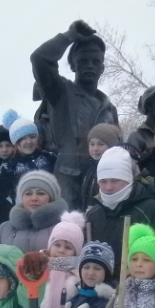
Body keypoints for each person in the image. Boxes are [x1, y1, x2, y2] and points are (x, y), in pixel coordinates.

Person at [31, 20, 119, 207]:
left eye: (96, 61)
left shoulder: (109, 109)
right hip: (68, 186)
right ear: (72, 65)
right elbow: (40, 58)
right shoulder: (61, 92)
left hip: (103, 185)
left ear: (102, 68)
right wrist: (70, 36)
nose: (90, 65)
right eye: (83, 60)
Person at [86, 146, 155, 280]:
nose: (108, 187)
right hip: (100, 292)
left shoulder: (152, 210)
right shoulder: (93, 215)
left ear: (128, 179)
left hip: (142, 291)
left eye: (115, 180)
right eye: (103, 181)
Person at [0, 109, 57, 209]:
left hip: (49, 211)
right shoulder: (8, 165)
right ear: (16, 141)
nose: (29, 142)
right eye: (23, 138)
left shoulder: (50, 158)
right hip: (22, 213)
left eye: (32, 137)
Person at [0, 170, 68, 253]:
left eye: (40, 193)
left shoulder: (65, 228)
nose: (34, 198)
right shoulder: (5, 228)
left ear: (51, 198)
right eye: (28, 194)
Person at [78, 123, 123, 212]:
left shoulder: (116, 170)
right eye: (92, 144)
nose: (95, 148)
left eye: (100, 144)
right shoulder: (90, 168)